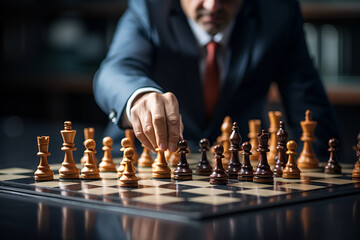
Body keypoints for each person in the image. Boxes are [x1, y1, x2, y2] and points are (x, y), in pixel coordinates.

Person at [93, 0, 339, 160]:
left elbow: (308, 101)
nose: (212, 6)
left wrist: (316, 168)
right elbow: (115, 70)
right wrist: (140, 95)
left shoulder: (278, 13)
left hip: (239, 165)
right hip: (140, 159)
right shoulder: (149, 6)